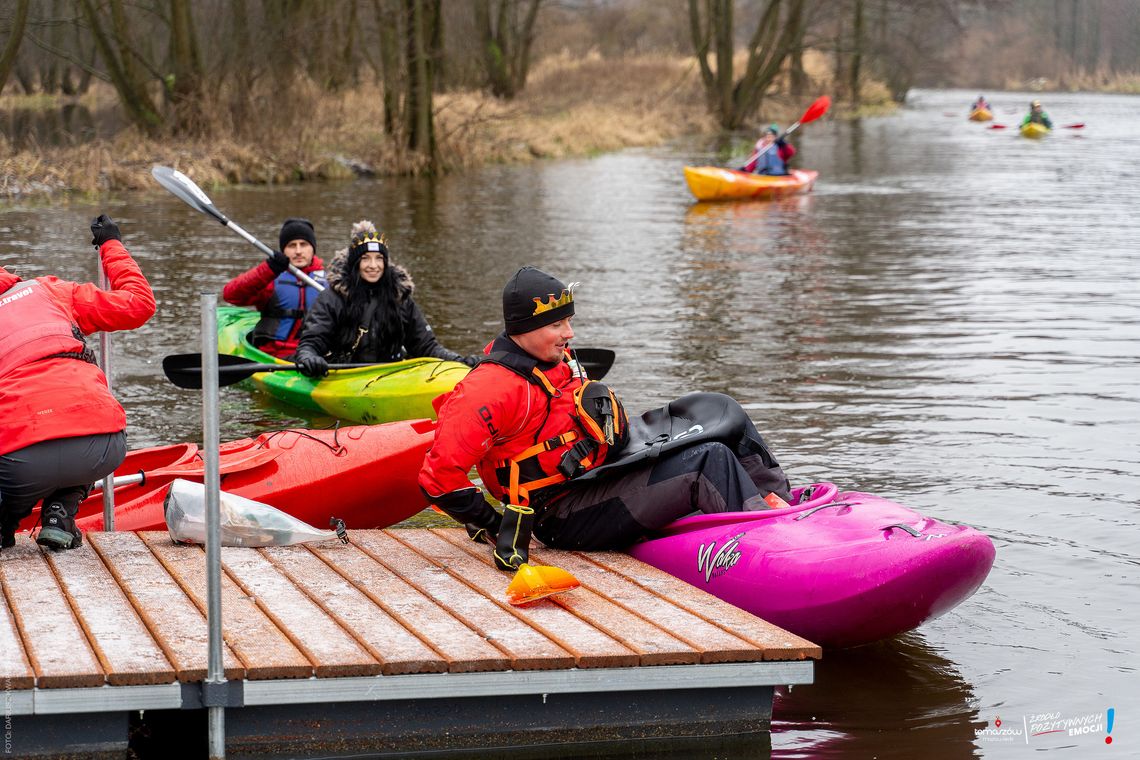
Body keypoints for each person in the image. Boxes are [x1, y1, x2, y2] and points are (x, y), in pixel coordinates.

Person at [418, 266, 791, 571]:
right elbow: (437, 479)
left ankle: (784, 510)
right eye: (557, 325)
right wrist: (495, 524)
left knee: (722, 414)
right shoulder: (488, 390)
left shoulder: (554, 359)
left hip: (604, 466)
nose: (570, 333)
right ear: (524, 330)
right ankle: (770, 554)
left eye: (568, 321)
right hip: (560, 511)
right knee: (708, 461)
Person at [0, 215, 156, 551]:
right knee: (87, 410)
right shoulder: (50, 291)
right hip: (103, 446)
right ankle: (60, 513)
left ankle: (6, 522)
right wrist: (110, 245)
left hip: (16, 465)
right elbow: (139, 304)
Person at [292, 220, 476, 377]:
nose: (373, 266)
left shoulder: (400, 298)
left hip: (390, 375)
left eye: (379, 258)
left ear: (385, 263)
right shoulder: (332, 298)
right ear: (356, 264)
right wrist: (310, 358)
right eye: (366, 259)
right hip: (344, 374)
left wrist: (459, 361)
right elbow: (310, 343)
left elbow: (426, 346)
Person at [222, 218, 327, 358]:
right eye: (291, 245)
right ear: (283, 250)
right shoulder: (271, 278)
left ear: (313, 248)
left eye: (304, 244)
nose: (298, 251)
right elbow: (231, 295)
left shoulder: (330, 281)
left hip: (316, 354)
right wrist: (268, 269)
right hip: (275, 356)